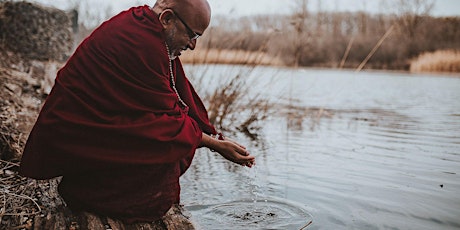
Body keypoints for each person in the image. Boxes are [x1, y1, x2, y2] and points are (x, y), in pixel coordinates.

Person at [19, 0, 255, 224]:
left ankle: (89, 186)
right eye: (192, 35)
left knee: (169, 151)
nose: (193, 45)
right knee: (161, 172)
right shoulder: (141, 42)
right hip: (78, 134)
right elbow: (167, 123)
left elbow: (169, 104)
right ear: (167, 18)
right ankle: (88, 194)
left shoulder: (147, 30)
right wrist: (215, 145)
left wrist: (207, 136)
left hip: (95, 131)